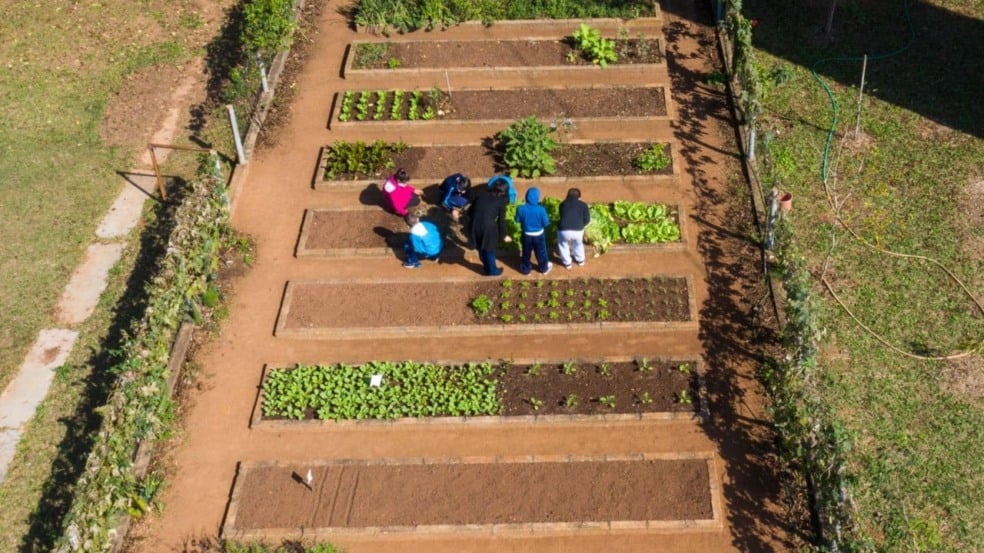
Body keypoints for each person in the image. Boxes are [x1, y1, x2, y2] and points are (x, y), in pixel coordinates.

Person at [467, 178, 512, 276]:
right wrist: (504, 235)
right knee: (489, 249)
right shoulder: (501, 202)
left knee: (480, 247)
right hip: (487, 227)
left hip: (474, 224)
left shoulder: (481, 194)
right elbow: (501, 221)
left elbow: (470, 211)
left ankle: (486, 267)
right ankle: (493, 271)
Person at [514, 187, 552, 275]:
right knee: (541, 252)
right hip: (539, 234)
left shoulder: (521, 208)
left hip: (526, 234)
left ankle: (526, 270)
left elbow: (517, 220)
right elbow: (546, 223)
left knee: (526, 252)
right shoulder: (541, 209)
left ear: (526, 197)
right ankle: (544, 269)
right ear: (538, 197)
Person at [557, 187, 591, 269]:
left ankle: (567, 264)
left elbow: (561, 216)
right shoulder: (583, 205)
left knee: (563, 245)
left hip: (564, 230)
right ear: (579, 197)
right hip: (578, 230)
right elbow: (587, 219)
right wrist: (581, 225)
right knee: (578, 244)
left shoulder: (562, 204)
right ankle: (580, 261)